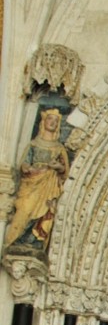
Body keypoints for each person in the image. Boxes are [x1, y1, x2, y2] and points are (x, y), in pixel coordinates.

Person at [5, 108, 69, 252]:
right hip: (31, 183)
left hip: (48, 185)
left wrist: (57, 166)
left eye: (56, 121)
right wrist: (28, 168)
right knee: (24, 210)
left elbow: (64, 170)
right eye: (50, 119)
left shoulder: (59, 148)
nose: (52, 123)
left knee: (45, 212)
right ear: (43, 122)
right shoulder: (34, 144)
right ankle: (14, 241)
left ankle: (33, 241)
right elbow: (25, 162)